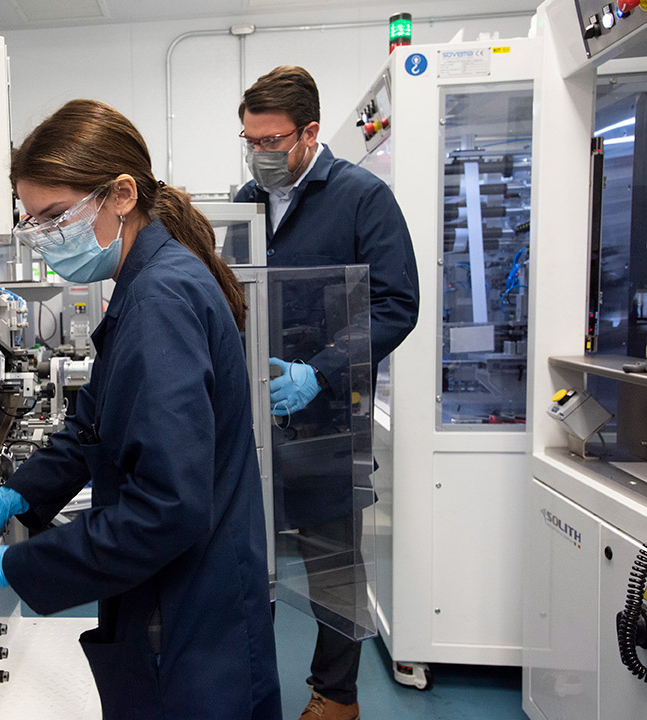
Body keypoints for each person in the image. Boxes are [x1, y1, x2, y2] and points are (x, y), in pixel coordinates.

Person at [0, 98, 282, 719]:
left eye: (55, 217)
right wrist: (13, 498)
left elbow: (168, 510)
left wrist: (15, 563)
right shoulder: (143, 283)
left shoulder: (160, 301)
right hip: (178, 595)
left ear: (121, 195)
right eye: (35, 222)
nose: (46, 238)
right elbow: (92, 426)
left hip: (185, 614)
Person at [234, 66, 419, 720]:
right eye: (250, 140)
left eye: (273, 141)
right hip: (254, 418)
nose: (260, 155)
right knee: (242, 559)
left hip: (328, 420)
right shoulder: (244, 200)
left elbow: (397, 304)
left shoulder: (361, 198)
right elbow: (231, 298)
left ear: (310, 132)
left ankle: (335, 698)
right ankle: (243, 685)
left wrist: (319, 369)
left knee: (333, 568)